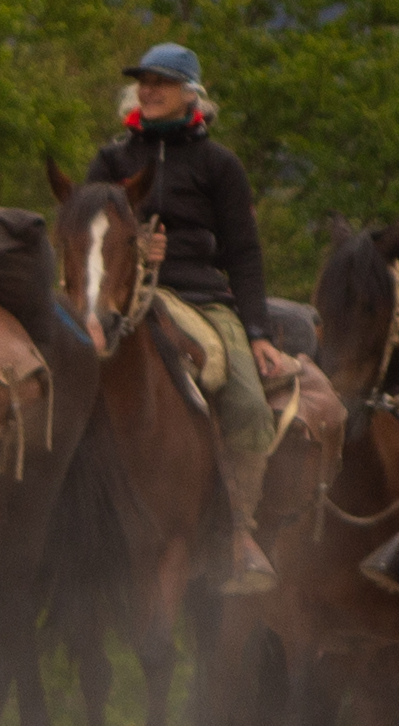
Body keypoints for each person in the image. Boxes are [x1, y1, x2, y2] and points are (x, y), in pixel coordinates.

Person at [82, 41, 279, 588]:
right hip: (119, 295)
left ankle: (240, 532)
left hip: (201, 297)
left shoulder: (220, 164)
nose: (149, 90)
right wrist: (137, 250)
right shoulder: (111, 159)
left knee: (245, 398)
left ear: (191, 93)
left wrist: (257, 331)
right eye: (144, 81)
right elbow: (87, 230)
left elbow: (243, 251)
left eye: (161, 82)